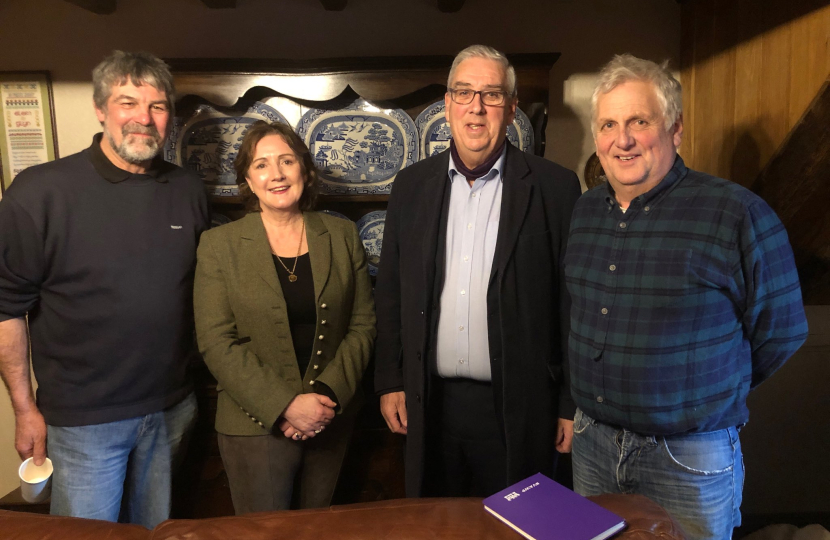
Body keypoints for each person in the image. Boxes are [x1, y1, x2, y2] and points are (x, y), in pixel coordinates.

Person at [564, 54, 808, 540]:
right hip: (593, 442)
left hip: (687, 456)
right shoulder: (585, 211)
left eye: (639, 120)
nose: (623, 138)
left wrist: (708, 385)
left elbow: (781, 331)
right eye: (609, 124)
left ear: (675, 129)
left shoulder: (736, 213)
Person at [0, 51, 210, 527]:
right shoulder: (39, 192)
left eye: (157, 106)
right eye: (127, 102)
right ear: (100, 109)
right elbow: (6, 309)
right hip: (83, 421)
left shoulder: (187, 189)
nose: (144, 118)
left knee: (154, 533)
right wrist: (24, 408)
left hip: (172, 407)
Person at [374, 44, 581, 498]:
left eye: (490, 95)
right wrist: (390, 379)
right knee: (437, 526)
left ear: (511, 108)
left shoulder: (555, 187)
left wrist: (569, 404)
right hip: (431, 402)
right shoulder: (411, 187)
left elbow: (571, 305)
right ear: (447, 104)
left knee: (517, 524)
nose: (476, 108)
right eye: (464, 93)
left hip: (519, 406)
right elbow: (390, 291)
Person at [194, 121, 375, 513]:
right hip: (252, 424)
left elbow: (362, 326)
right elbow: (215, 340)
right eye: (261, 165)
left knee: (318, 533)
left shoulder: (342, 235)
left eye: (286, 161)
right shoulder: (218, 245)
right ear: (248, 178)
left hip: (330, 418)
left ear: (304, 171)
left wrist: (324, 397)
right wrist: (286, 404)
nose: (275, 174)